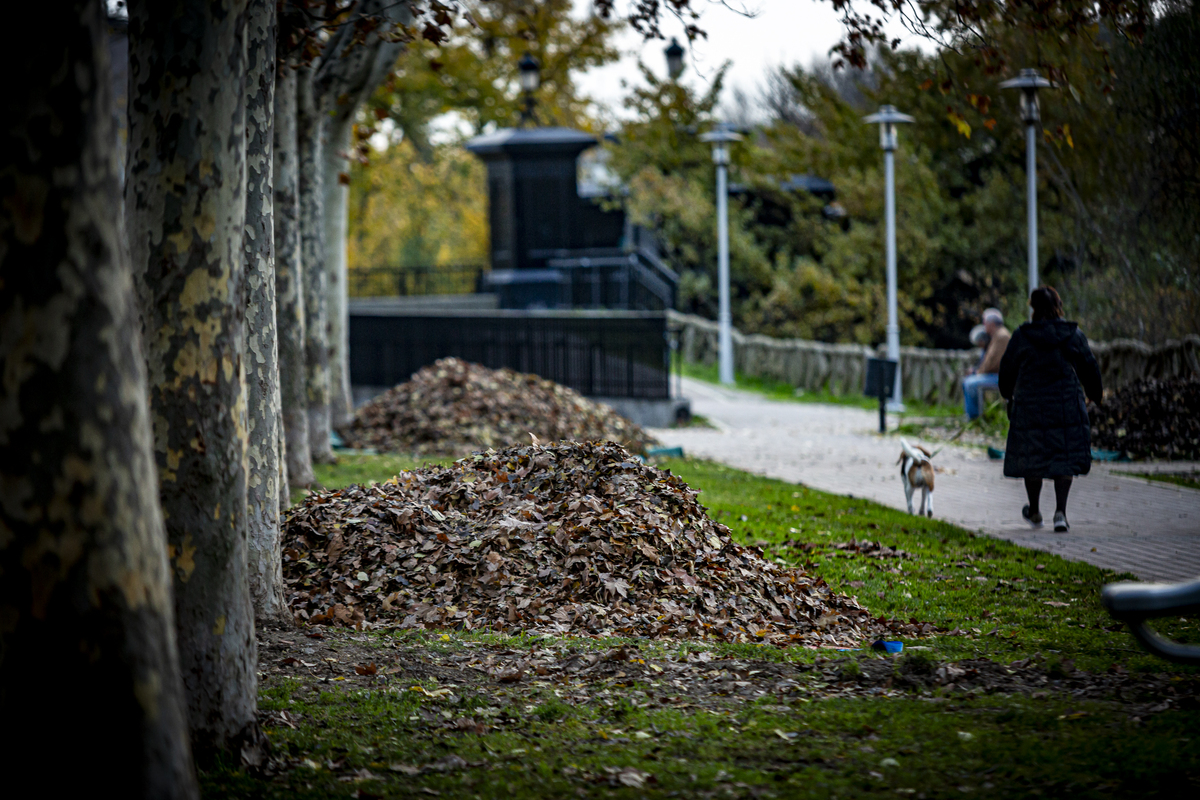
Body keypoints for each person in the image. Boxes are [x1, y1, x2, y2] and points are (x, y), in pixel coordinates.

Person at [998, 286, 1103, 533]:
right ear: (1059, 305)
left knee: (1032, 458)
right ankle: (1061, 513)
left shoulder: (1023, 336)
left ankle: (1034, 511)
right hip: (1066, 404)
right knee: (1063, 458)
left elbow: (1007, 370)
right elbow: (1089, 366)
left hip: (1030, 406)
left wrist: (1007, 394)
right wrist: (1095, 394)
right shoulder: (1072, 334)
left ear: (1033, 307)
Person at [962, 308, 1010, 419]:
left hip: (1001, 377)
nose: (984, 325)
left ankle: (974, 417)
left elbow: (993, 363)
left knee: (971, 383)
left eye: (985, 322)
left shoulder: (1002, 336)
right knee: (967, 381)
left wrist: (977, 372)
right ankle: (971, 414)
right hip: (996, 375)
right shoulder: (996, 336)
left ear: (991, 323)